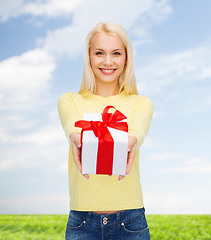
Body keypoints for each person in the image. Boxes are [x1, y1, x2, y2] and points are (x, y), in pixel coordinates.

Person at [58, 22, 153, 240]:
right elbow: (72, 127)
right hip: (82, 221)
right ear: (89, 57)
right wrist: (76, 138)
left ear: (126, 58)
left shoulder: (141, 103)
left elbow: (137, 132)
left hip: (130, 221)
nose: (108, 61)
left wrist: (131, 142)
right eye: (99, 53)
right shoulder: (70, 100)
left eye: (116, 53)